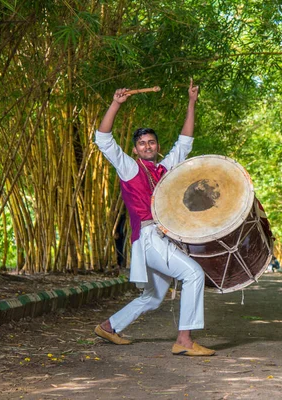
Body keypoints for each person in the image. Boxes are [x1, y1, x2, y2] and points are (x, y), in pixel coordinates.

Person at [93, 80, 215, 357]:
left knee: (153, 297)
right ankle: (184, 341)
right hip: (148, 237)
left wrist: (192, 102)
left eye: (151, 142)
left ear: (157, 146)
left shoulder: (164, 169)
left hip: (162, 238)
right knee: (193, 273)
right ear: (135, 149)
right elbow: (103, 139)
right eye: (141, 143)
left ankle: (109, 327)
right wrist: (116, 104)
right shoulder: (128, 168)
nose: (146, 146)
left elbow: (184, 143)